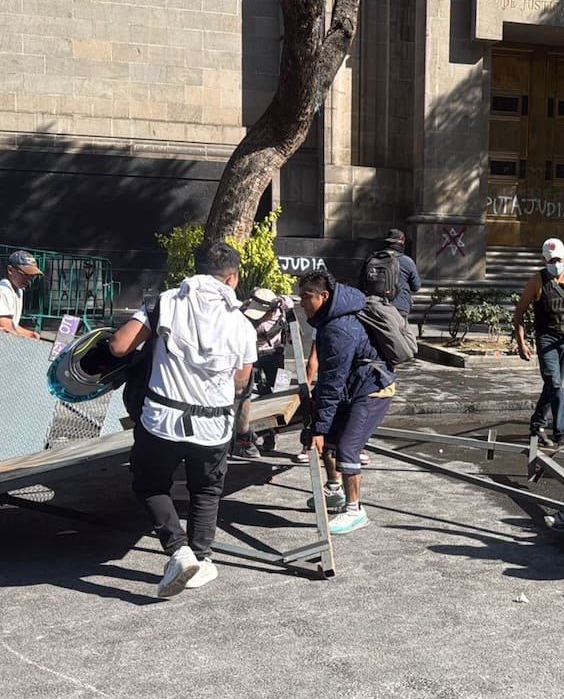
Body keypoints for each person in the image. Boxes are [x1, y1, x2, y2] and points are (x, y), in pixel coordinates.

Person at [108, 244, 258, 597]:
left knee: (149, 485)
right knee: (206, 489)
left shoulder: (166, 303)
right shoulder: (242, 323)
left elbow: (118, 346)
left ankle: (178, 551)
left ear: (195, 269)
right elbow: (241, 379)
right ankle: (203, 560)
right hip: (214, 424)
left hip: (163, 419)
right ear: (232, 278)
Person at [298, 269, 396, 535]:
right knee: (330, 440)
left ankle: (355, 510)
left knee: (347, 448)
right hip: (354, 386)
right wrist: (322, 428)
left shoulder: (338, 329)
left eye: (307, 297)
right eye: (300, 298)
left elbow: (331, 382)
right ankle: (335, 491)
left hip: (373, 390)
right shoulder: (331, 319)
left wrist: (317, 427)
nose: (303, 303)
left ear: (324, 296)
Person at [513, 237, 564, 449]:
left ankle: (536, 425)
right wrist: (521, 343)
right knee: (555, 383)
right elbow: (519, 313)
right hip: (547, 339)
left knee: (554, 385)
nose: (555, 264)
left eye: (558, 259)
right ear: (545, 260)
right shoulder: (537, 281)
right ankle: (563, 431)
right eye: (551, 260)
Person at [233, 288, 294, 458]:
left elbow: (290, 304)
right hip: (254, 355)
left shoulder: (282, 305)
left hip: (275, 353)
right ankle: (250, 436)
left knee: (281, 392)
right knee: (248, 394)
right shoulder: (244, 312)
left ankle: (272, 432)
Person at [0, 250, 43, 339]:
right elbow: (6, 327)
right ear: (10, 270)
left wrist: (30, 334)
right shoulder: (3, 290)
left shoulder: (19, 290)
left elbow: (13, 325)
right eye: (25, 274)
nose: (28, 279)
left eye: (32, 276)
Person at [382, 228, 422, 318]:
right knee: (400, 332)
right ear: (402, 242)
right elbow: (416, 286)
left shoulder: (372, 259)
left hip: (376, 306)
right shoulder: (407, 261)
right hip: (399, 307)